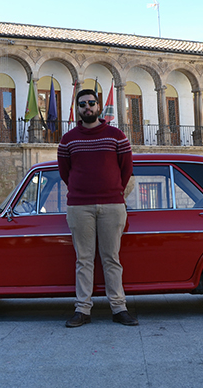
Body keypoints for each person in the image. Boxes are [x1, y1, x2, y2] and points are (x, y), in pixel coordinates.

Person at [57, 88, 138, 327]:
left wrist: (112, 191)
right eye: (83, 104)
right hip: (79, 207)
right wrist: (82, 190)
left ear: (99, 106)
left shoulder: (116, 136)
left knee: (111, 258)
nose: (87, 107)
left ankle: (119, 308)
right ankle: (82, 310)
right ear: (78, 109)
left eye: (91, 103)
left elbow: (126, 170)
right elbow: (66, 173)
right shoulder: (68, 140)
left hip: (112, 205)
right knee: (83, 260)